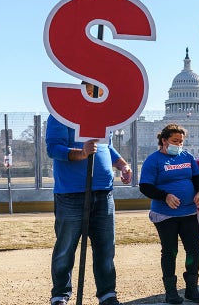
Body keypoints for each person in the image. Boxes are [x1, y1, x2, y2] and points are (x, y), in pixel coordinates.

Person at [46, 82, 132, 305]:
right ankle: (60, 295)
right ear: (85, 89)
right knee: (66, 248)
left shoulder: (103, 115)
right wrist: (81, 153)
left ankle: (107, 294)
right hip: (71, 193)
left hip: (104, 192)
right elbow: (53, 148)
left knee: (105, 247)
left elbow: (107, 147)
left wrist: (123, 165)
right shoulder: (61, 113)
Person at [139, 124, 199, 304]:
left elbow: (197, 177)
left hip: (188, 212)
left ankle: (192, 288)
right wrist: (165, 196)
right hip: (165, 214)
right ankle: (171, 292)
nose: (179, 144)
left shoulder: (187, 156)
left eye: (181, 141)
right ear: (164, 140)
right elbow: (145, 186)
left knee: (194, 250)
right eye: (175, 141)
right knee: (170, 251)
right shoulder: (153, 160)